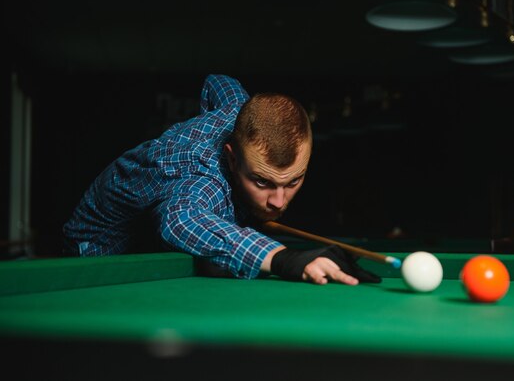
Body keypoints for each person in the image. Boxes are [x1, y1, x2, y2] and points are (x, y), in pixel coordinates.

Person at [63, 74, 380, 285]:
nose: (278, 202)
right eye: (261, 182)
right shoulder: (205, 180)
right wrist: (282, 259)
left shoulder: (240, 109)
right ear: (231, 157)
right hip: (98, 251)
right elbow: (179, 220)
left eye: (293, 182)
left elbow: (218, 81)